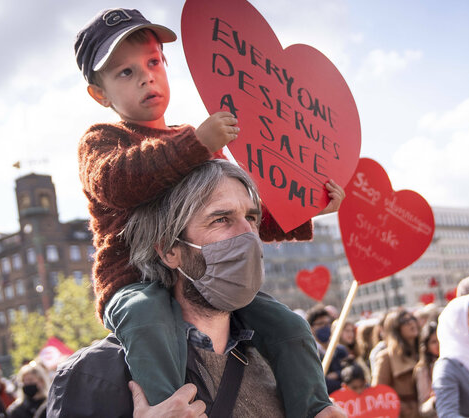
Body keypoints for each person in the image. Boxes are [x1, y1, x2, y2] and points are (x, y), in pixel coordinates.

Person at [73, 8, 345, 413]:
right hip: (135, 279)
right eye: (125, 72)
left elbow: (236, 215)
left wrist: (303, 211)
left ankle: (314, 408)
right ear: (101, 94)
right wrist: (196, 144)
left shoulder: (199, 140)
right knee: (146, 317)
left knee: (289, 325)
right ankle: (169, 406)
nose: (147, 76)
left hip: (208, 276)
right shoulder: (102, 141)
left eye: (153, 62)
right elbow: (120, 180)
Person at [47, 160, 343, 417]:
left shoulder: (279, 360)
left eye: (251, 218)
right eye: (221, 219)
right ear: (170, 251)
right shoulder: (92, 376)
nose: (248, 235)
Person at [372, 309, 420, 418]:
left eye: (412, 319)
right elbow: (379, 393)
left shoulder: (423, 352)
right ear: (395, 328)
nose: (411, 323)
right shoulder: (386, 357)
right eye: (404, 321)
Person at [307, 306, 348, 394]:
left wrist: (337, 374)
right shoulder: (309, 353)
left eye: (327, 323)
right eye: (320, 324)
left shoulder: (340, 350)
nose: (325, 327)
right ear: (311, 327)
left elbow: (350, 373)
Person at [413, 321, 438, 418]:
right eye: (433, 342)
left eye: (440, 339)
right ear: (427, 346)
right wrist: (434, 401)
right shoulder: (423, 369)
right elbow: (423, 407)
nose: (438, 344)